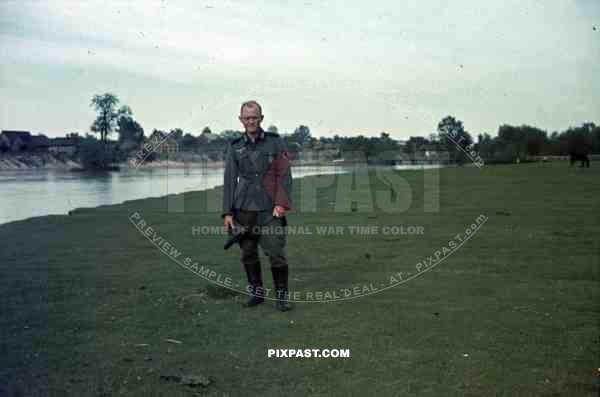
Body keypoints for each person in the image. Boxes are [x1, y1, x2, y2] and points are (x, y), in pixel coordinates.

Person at [222, 100, 294, 311]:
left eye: (254, 117)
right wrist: (227, 212)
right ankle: (257, 294)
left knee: (275, 253)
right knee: (248, 254)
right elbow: (229, 180)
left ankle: (282, 298)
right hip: (243, 210)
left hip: (270, 209)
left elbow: (285, 175)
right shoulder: (234, 146)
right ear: (241, 120)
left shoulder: (275, 142)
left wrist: (281, 203)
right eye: (247, 118)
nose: (251, 121)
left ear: (261, 118)